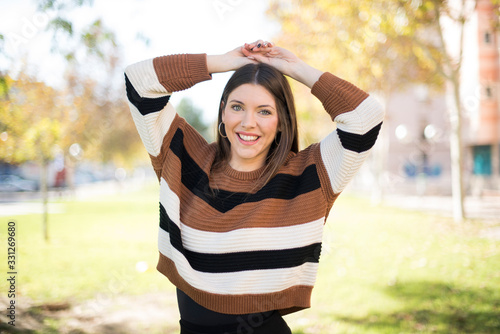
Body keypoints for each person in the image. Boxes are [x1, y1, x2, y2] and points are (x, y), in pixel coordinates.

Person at [124, 40, 384, 334]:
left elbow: (366, 117)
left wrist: (294, 68)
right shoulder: (184, 157)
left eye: (264, 111)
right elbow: (138, 82)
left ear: (282, 122)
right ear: (223, 112)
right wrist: (222, 62)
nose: (249, 123)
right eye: (237, 107)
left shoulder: (311, 174)